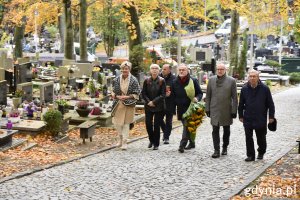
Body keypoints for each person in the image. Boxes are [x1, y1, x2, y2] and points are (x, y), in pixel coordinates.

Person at [238, 70, 275, 161]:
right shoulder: (244, 88)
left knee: (261, 138)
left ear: (258, 77)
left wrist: (271, 116)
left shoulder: (265, 88)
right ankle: (250, 155)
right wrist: (240, 115)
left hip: (260, 118)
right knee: (248, 138)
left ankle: (261, 152)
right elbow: (241, 103)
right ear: (248, 77)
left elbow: (270, 104)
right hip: (248, 117)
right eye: (250, 76)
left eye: (254, 76)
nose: (252, 78)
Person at [205, 63, 238, 158]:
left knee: (226, 130)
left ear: (225, 70)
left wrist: (234, 110)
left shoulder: (231, 81)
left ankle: (225, 147)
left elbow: (235, 97)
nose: (220, 71)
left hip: (226, 109)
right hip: (214, 108)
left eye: (222, 69)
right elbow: (208, 95)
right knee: (215, 129)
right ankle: (216, 150)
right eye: (218, 69)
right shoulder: (211, 80)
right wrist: (207, 108)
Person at [172, 63, 203, 153]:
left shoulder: (193, 80)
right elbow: (173, 97)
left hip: (191, 108)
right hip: (181, 108)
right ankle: (192, 142)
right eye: (180, 70)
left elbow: (200, 93)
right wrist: (173, 109)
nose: (181, 71)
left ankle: (182, 144)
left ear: (187, 71)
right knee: (189, 126)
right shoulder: (174, 82)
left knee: (186, 125)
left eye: (183, 70)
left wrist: (197, 98)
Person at [111, 61, 141, 150]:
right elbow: (112, 90)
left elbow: (137, 92)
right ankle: (120, 139)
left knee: (126, 124)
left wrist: (127, 96)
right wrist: (117, 96)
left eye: (126, 69)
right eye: (123, 68)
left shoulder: (134, 80)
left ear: (129, 69)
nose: (125, 70)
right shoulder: (116, 79)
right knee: (117, 123)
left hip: (129, 104)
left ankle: (124, 142)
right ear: (121, 69)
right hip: (118, 104)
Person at [142, 64, 166, 150]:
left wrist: (154, 101)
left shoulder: (162, 81)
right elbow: (143, 93)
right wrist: (149, 102)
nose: (154, 70)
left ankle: (156, 143)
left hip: (159, 106)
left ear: (159, 70)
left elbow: (163, 94)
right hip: (148, 106)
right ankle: (151, 140)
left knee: (156, 125)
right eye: (152, 68)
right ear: (150, 70)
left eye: (156, 68)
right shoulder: (146, 80)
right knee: (148, 124)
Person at [159, 64, 176, 144]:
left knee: (169, 121)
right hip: (160, 103)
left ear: (169, 70)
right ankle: (165, 130)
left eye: (165, 69)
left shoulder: (174, 79)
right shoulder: (159, 78)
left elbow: (176, 91)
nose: (163, 70)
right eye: (162, 69)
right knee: (159, 119)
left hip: (170, 103)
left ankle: (166, 137)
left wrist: (171, 94)